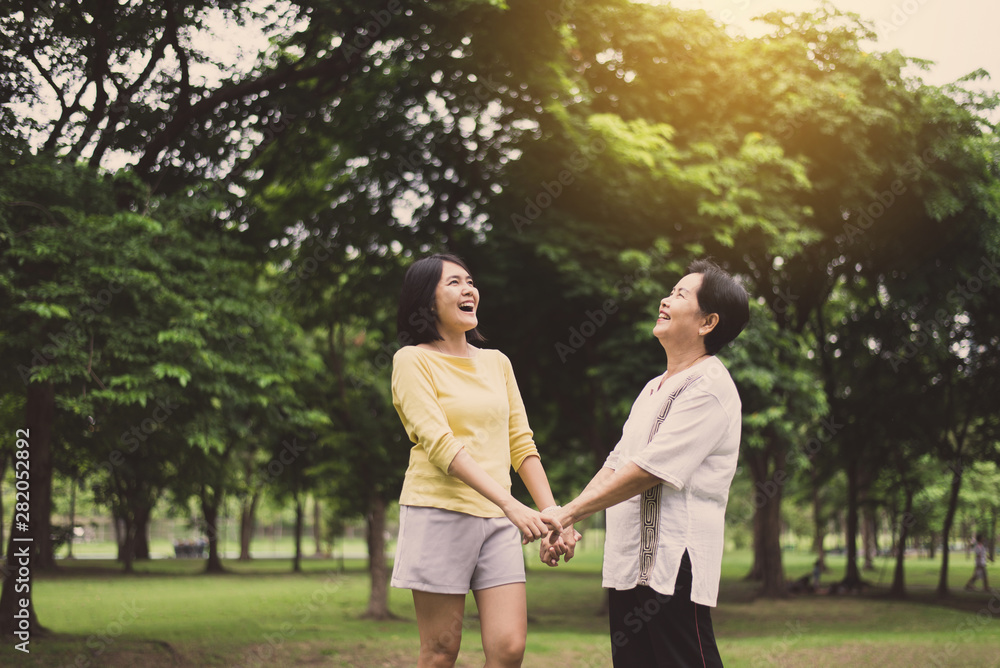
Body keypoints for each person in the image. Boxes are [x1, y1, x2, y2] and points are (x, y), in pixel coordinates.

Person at [542, 259, 749, 667]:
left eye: (679, 294)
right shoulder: (653, 387)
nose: (665, 299)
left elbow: (650, 470)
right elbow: (618, 462)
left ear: (707, 322)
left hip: (676, 559)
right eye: (671, 291)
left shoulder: (709, 386)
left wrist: (567, 513)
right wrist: (568, 519)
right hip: (629, 558)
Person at [390, 253, 567, 668]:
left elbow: (520, 443)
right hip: (439, 512)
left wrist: (552, 512)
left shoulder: (497, 362)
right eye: (453, 283)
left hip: (499, 521)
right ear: (426, 299)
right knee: (440, 652)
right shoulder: (412, 360)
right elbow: (440, 445)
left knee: (508, 649)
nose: (468, 289)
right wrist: (510, 504)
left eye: (470, 281)